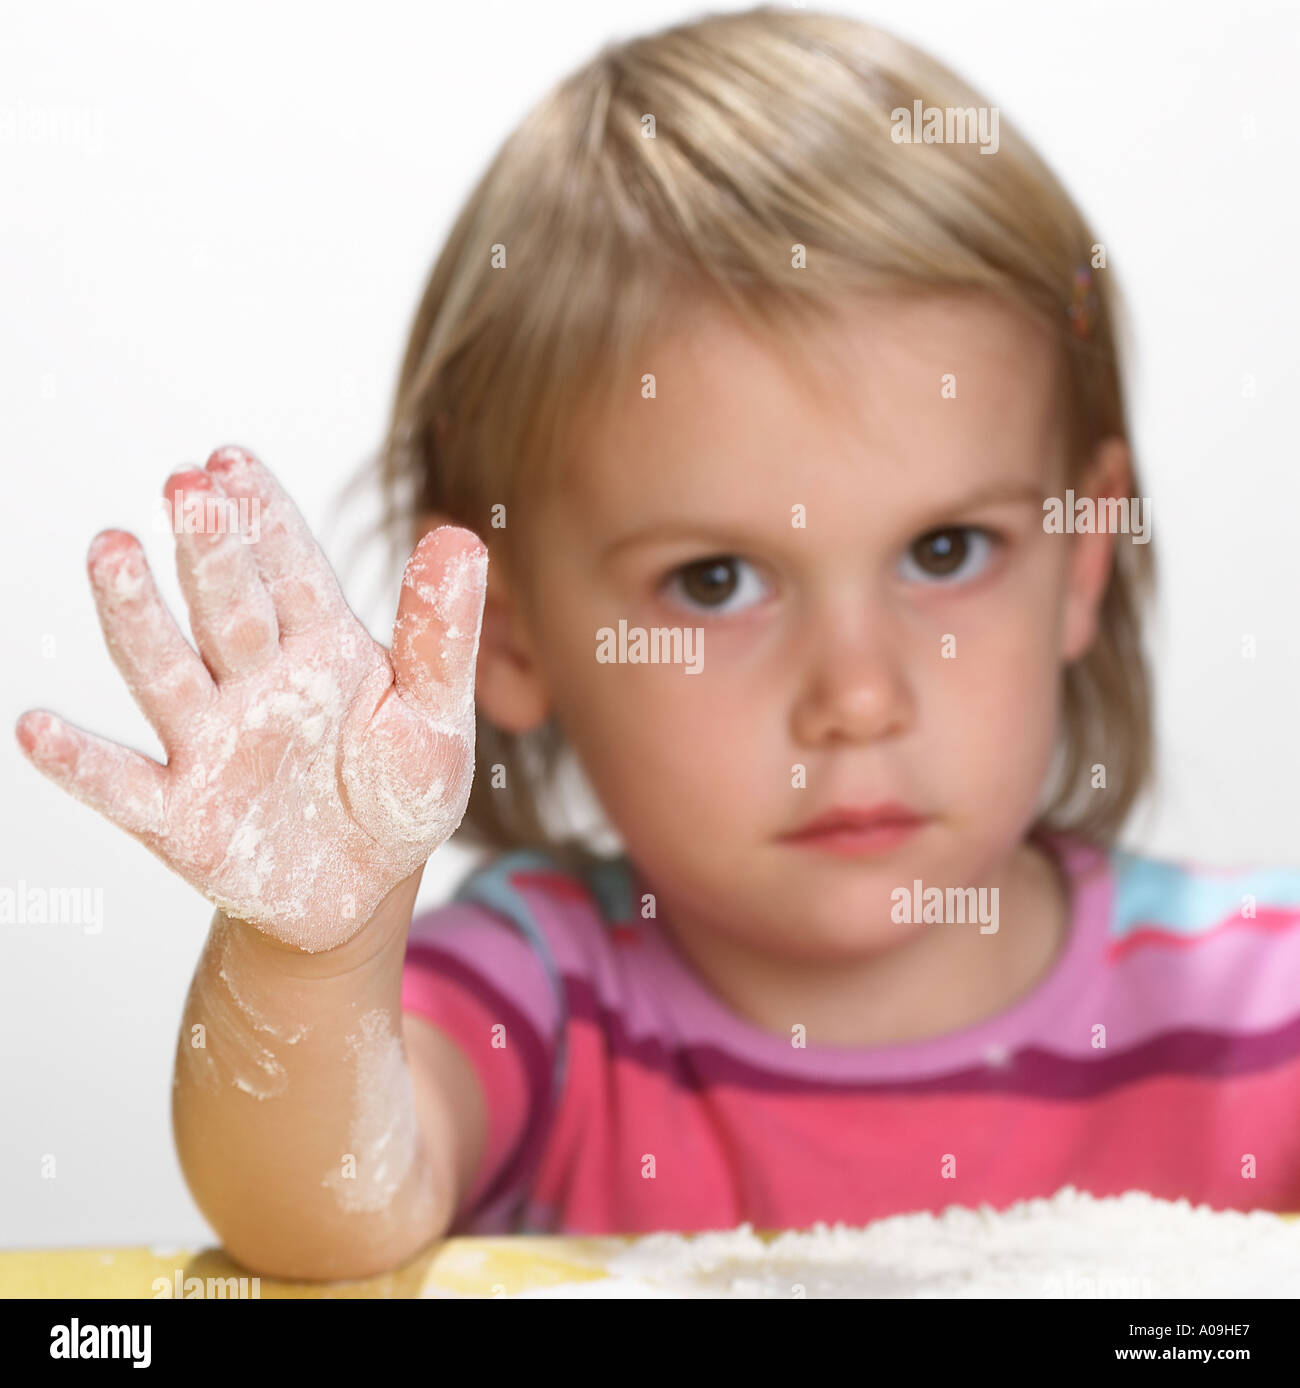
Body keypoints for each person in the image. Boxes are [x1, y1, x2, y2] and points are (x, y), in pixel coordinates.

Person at [17, 9, 1300, 1280]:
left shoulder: (1265, 1012)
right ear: (506, 635)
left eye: (946, 552)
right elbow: (315, 1215)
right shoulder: (540, 999)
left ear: (1081, 551)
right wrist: (312, 947)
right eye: (716, 578)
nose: (856, 696)